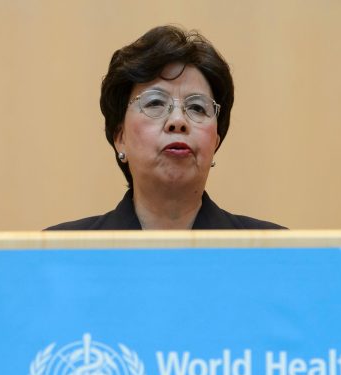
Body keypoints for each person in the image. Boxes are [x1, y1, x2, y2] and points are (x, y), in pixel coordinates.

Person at [47, 25, 285, 230]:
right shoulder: (59, 253)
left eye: (197, 108)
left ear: (215, 142)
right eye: (155, 103)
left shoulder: (275, 254)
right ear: (120, 138)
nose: (178, 121)